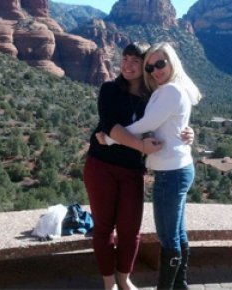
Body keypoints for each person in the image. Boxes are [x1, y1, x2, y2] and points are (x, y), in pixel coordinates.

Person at [83, 42, 194, 290]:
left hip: (132, 170)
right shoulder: (110, 89)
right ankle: (109, 283)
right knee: (103, 227)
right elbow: (109, 126)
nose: (128, 65)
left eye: (136, 61)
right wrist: (140, 146)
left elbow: (168, 122)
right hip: (101, 165)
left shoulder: (153, 96)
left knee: (130, 229)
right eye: (125, 59)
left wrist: (188, 132)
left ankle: (124, 278)